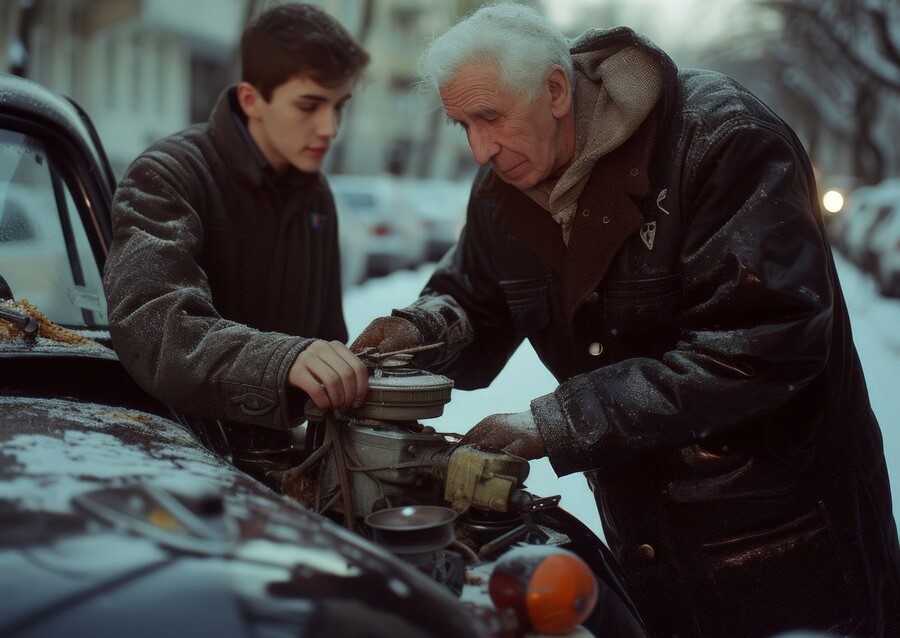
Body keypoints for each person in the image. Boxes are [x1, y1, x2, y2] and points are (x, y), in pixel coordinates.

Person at [352, 4, 900, 637]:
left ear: (556, 90)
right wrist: (418, 331)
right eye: (461, 124)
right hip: (648, 540)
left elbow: (760, 346)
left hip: (785, 546)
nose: (481, 148)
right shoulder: (503, 186)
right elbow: (472, 296)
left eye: (491, 117)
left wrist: (557, 423)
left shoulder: (722, 139)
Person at [104, 4, 370, 488]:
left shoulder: (317, 196)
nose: (330, 128)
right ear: (251, 99)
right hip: (174, 472)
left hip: (285, 477)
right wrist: (285, 360)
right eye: (310, 105)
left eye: (341, 106)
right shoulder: (166, 173)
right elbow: (153, 327)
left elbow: (328, 334)